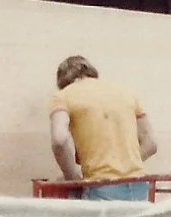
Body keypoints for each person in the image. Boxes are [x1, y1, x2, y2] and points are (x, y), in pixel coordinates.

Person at [48, 55, 158, 201]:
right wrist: (120, 167)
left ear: (62, 81)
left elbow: (59, 139)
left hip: (100, 186)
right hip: (139, 185)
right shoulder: (125, 93)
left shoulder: (63, 96)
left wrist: (72, 178)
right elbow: (151, 143)